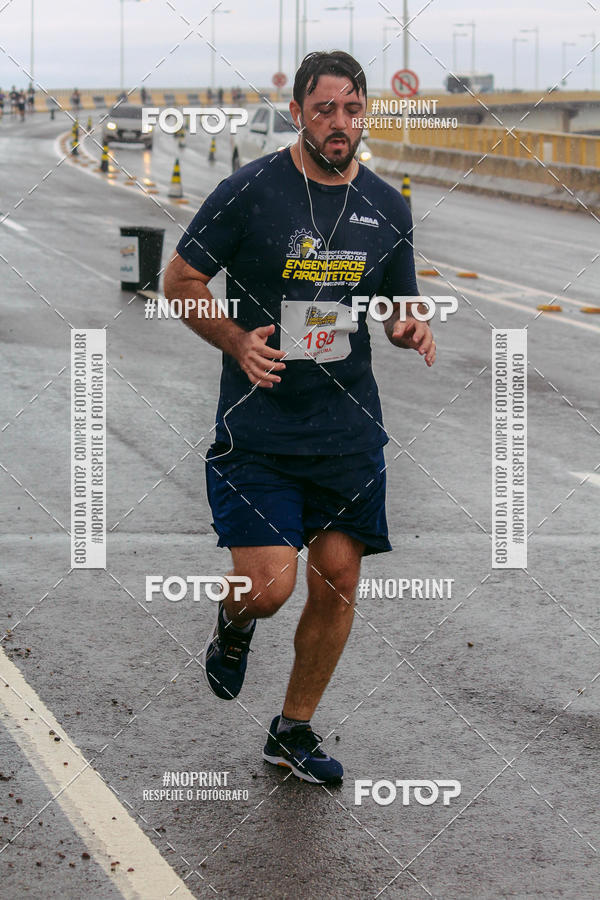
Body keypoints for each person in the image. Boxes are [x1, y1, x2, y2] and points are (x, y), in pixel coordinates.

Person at [163, 50, 435, 785]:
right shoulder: (249, 191)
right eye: (325, 110)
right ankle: (235, 620)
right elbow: (180, 278)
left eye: (352, 109)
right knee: (271, 586)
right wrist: (232, 337)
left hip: (347, 432)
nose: (340, 124)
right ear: (299, 113)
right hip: (260, 432)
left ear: (365, 111)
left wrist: (411, 326)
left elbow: (400, 304)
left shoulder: (387, 206)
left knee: (339, 577)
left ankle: (293, 730)